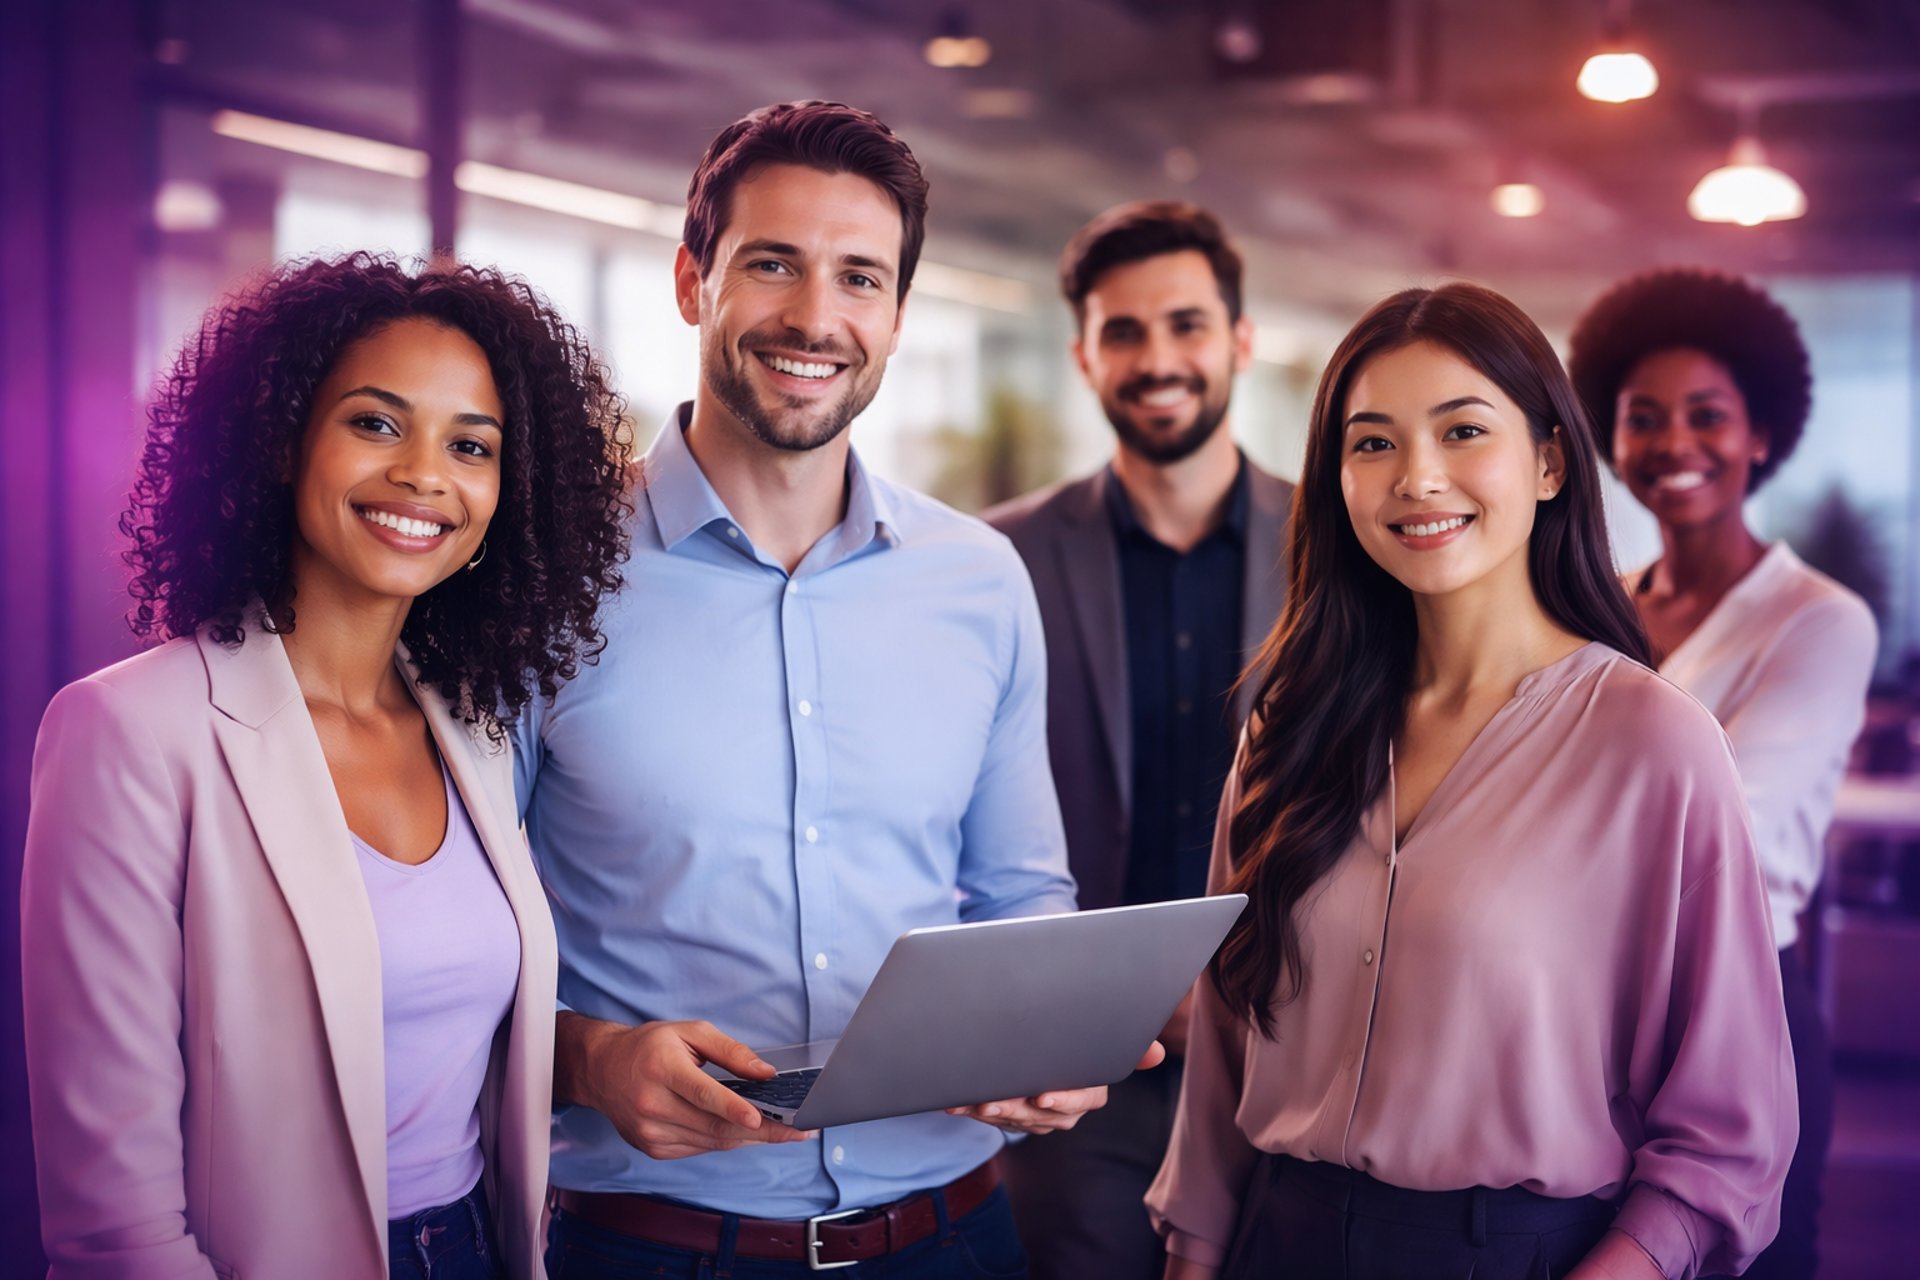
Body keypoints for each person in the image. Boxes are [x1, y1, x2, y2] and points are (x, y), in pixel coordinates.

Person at [514, 101, 1151, 1279]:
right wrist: (587, 1059)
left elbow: (1022, 894)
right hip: (649, 1246)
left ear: (900, 316)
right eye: (773, 265)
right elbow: (451, 944)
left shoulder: (978, 578)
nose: (816, 317)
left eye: (860, 277)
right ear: (691, 281)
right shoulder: (544, 577)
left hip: (953, 1234)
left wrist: (1049, 1037)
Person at [1146, 282, 1796, 1280]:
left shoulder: (1655, 744)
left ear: (1547, 462)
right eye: (1372, 442)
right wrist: (1192, 1253)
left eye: (1462, 431)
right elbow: (1228, 1038)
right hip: (1277, 1238)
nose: (1418, 477)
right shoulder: (1289, 724)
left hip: (1516, 1252)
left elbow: (1727, 1127)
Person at [21, 254, 633, 1280]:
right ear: (280, 439)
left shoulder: (473, 729)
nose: (424, 475)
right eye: (376, 422)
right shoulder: (127, 731)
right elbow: (111, 1220)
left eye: (470, 444)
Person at [985, 201, 1292, 1280]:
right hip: (1083, 1069)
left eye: (1187, 325)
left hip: (1292, 1054)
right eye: (1124, 332)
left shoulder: (1337, 554)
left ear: (1240, 339)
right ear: (1084, 355)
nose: (1158, 360)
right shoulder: (997, 558)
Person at [1569, 268, 1877, 1280]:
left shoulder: (1819, 619)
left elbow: (1724, 828)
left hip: (1743, 1000)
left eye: (1708, 415)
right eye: (1643, 418)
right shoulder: (1597, 609)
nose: (1673, 443)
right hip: (1589, 1001)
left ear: (1760, 434)